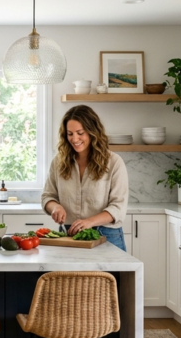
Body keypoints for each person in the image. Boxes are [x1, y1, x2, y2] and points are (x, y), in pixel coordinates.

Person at [42, 105, 129, 251]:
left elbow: (118, 207)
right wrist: (55, 207)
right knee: (71, 275)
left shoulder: (114, 162)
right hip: (70, 235)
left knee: (109, 275)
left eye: (80, 133)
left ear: (92, 131)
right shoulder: (59, 161)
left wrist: (89, 222)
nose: (74, 139)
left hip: (107, 235)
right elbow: (48, 196)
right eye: (70, 134)